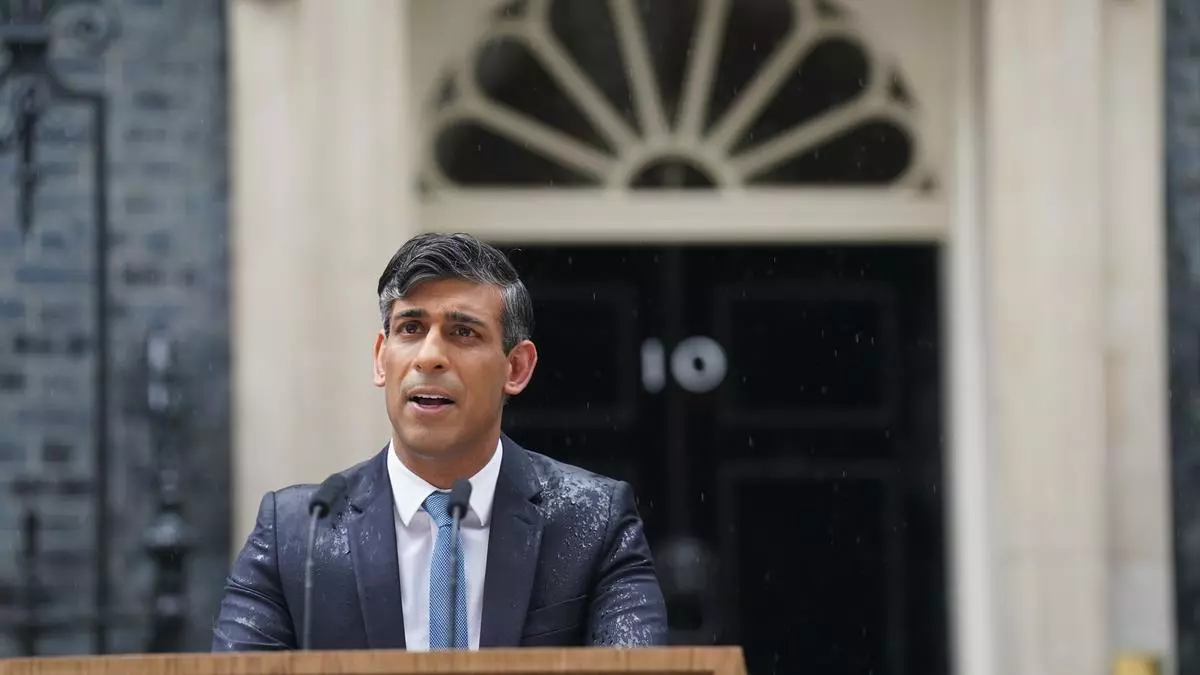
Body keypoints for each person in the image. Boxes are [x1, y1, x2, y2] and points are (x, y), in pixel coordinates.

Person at [211, 233, 667, 651]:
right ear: (380, 359)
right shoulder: (298, 532)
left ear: (517, 368)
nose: (429, 356)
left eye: (463, 332)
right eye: (410, 328)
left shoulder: (592, 520)